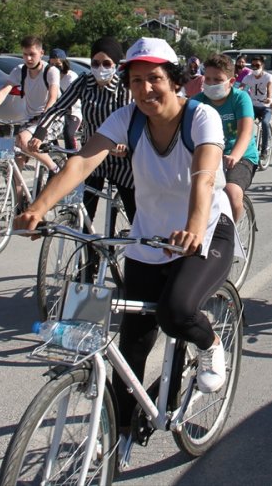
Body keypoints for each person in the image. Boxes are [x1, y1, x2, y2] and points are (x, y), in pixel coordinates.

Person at [15, 36, 235, 445]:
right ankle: (117, 435)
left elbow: (204, 176)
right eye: (135, 81)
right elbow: (82, 161)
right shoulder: (126, 118)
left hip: (204, 231)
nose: (145, 89)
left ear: (174, 80)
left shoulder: (200, 117)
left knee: (176, 311)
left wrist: (193, 225)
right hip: (149, 239)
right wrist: (38, 208)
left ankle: (211, 342)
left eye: (154, 79)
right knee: (132, 344)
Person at [29, 36, 136, 224]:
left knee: (135, 214)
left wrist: (123, 144)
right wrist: (40, 133)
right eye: (95, 63)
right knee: (85, 216)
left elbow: (128, 120)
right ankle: (90, 251)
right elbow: (59, 107)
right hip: (91, 157)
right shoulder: (84, 82)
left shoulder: (123, 87)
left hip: (121, 158)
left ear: (115, 65)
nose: (100, 68)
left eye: (106, 63)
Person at [0, 36, 61, 173]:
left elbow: (53, 97)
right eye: (25, 54)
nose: (28, 58)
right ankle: (17, 193)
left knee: (24, 140)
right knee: (18, 154)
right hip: (30, 120)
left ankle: (55, 170)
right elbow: (3, 92)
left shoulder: (50, 71)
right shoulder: (20, 70)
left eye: (32, 54)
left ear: (41, 53)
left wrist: (43, 119)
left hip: (51, 118)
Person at [194, 54, 258, 222]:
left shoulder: (240, 98)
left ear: (231, 81)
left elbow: (245, 132)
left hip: (240, 156)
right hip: (207, 156)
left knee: (231, 192)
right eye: (207, 79)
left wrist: (234, 156)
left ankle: (232, 233)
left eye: (217, 79)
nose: (211, 83)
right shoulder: (197, 102)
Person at [239, 55, 272, 166]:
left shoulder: (267, 77)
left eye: (257, 65)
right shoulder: (248, 77)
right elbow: (242, 87)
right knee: (244, 123)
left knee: (265, 123)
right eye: (253, 65)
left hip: (265, 107)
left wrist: (269, 98)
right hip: (253, 107)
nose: (255, 67)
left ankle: (264, 149)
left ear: (262, 66)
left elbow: (269, 89)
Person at [49, 49, 83, 151]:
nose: (55, 67)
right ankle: (54, 155)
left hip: (72, 111)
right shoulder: (49, 76)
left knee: (68, 133)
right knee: (46, 131)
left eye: (58, 64)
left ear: (64, 62)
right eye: (52, 64)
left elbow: (73, 99)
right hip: (56, 111)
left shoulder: (71, 77)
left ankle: (72, 156)